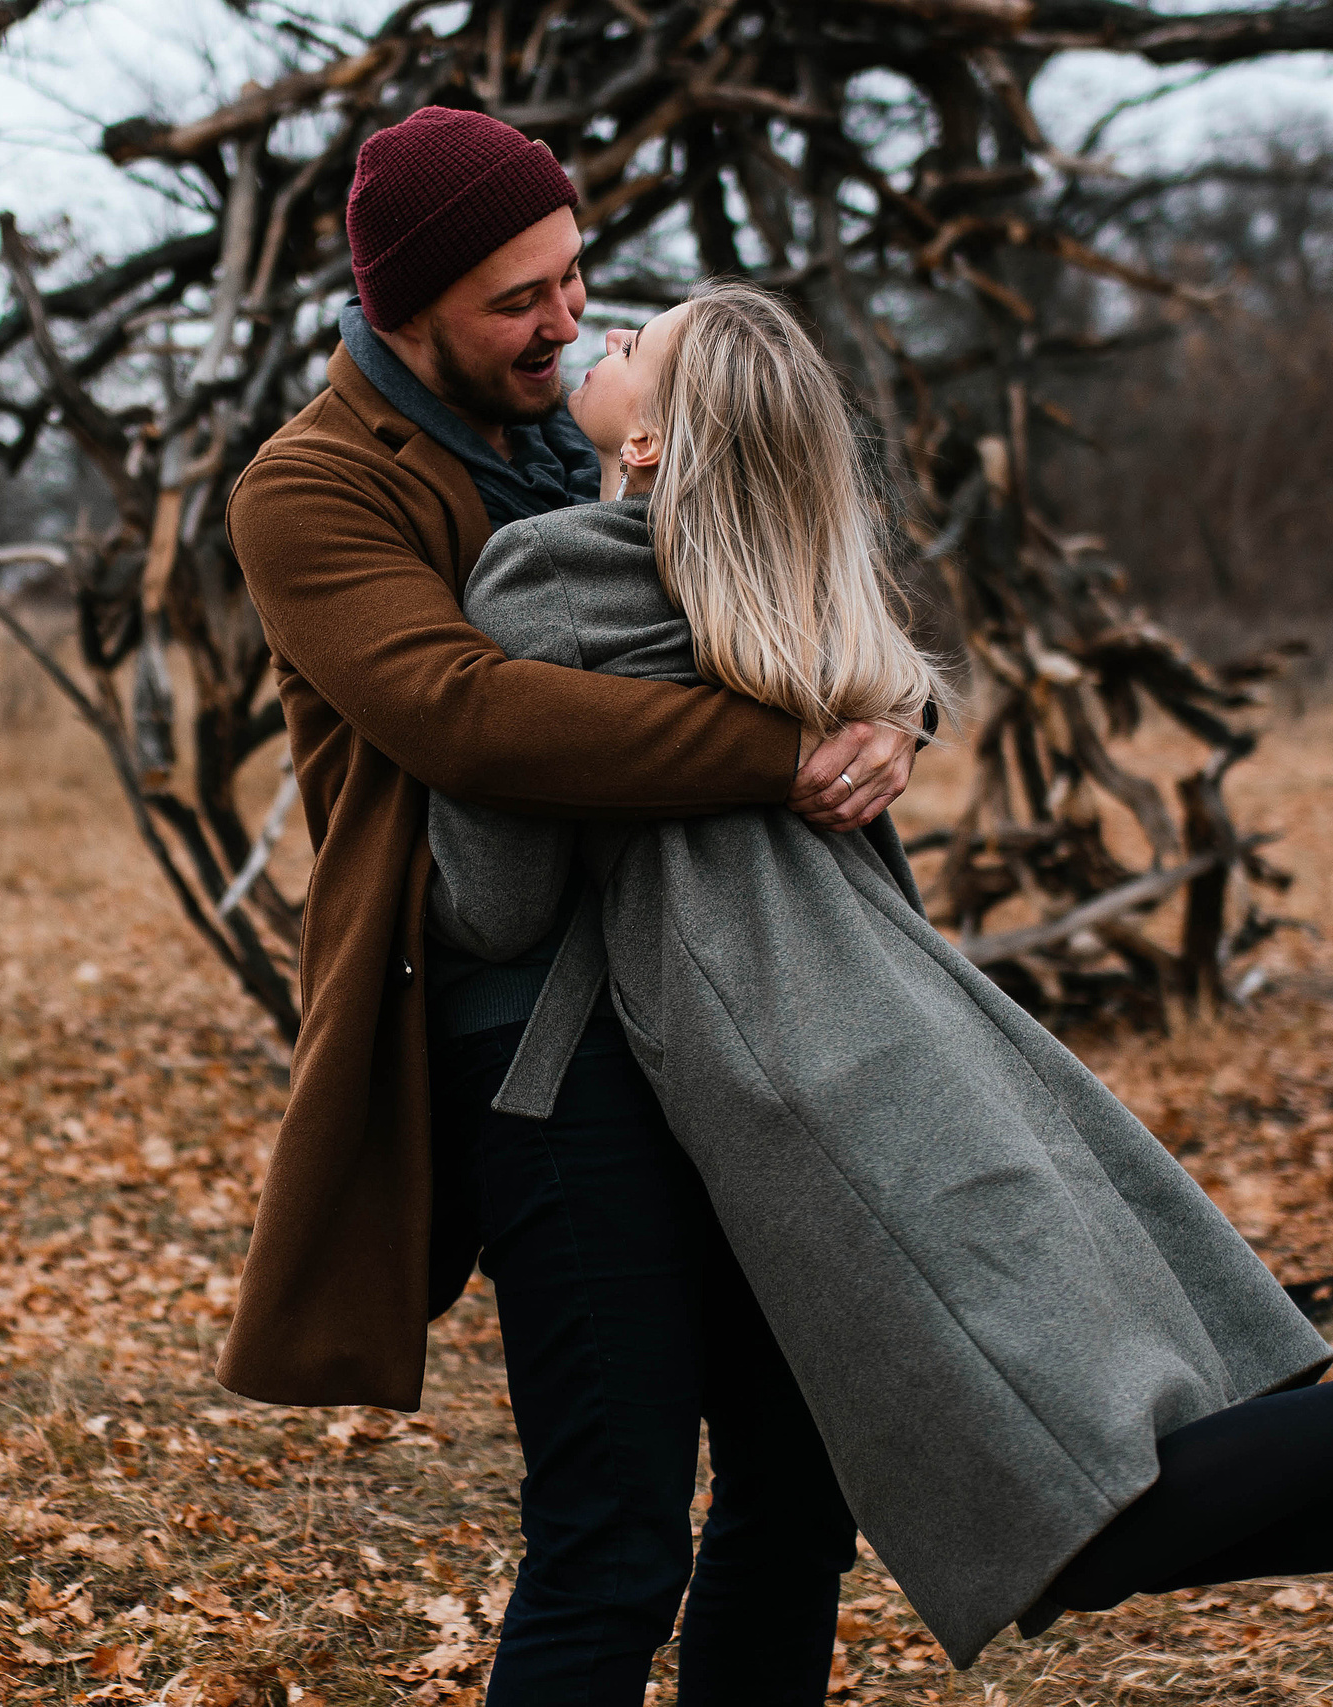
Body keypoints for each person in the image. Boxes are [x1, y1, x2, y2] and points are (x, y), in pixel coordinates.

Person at [424, 280, 1333, 1707]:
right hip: (907, 1050)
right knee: (1043, 1507)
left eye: (639, 346)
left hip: (796, 1099)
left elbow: (496, 898)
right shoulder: (797, 588)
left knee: (1084, 1498)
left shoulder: (550, 576)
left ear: (650, 451)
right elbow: (850, 710)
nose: (607, 333)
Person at [222, 109, 916, 1705]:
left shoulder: (601, 417)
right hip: (529, 1043)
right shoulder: (311, 490)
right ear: (402, 307)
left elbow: (786, 572)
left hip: (731, 998)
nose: (561, 320)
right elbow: (468, 713)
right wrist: (781, 749)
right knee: (611, 1532)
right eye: (515, 298)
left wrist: (888, 724)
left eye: (571, 275)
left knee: (798, 1495)